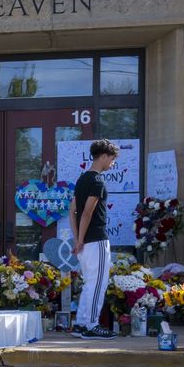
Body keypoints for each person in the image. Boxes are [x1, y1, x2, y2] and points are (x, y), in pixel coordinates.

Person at [71, 139, 119, 338]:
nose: (113, 164)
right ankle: (91, 325)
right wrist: (80, 239)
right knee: (97, 283)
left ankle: (82, 324)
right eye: (113, 159)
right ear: (104, 156)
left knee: (90, 282)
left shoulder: (82, 179)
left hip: (85, 242)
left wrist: (77, 239)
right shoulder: (98, 180)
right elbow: (87, 213)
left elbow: (71, 210)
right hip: (96, 240)